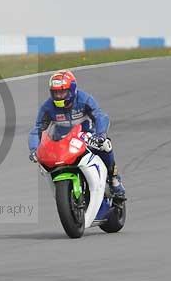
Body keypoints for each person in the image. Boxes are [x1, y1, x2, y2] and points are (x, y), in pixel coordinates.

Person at [28, 70, 126, 199]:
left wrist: (100, 135)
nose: (59, 96)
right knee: (44, 162)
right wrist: (35, 149)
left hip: (85, 136)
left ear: (72, 89)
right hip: (61, 142)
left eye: (62, 91)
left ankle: (114, 179)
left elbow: (100, 116)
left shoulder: (84, 99)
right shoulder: (47, 107)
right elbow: (37, 129)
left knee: (105, 145)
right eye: (55, 92)